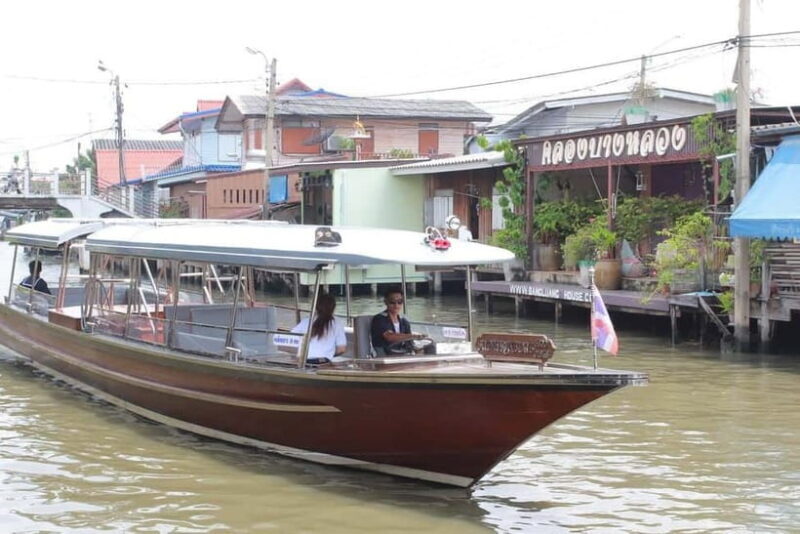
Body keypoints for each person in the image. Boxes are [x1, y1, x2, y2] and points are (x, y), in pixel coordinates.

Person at [370, 287, 433, 355]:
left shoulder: (404, 322)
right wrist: (414, 336)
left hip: (401, 354)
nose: (396, 305)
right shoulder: (379, 319)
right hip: (384, 356)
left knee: (431, 347)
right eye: (392, 302)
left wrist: (417, 350)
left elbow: (409, 343)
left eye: (399, 302)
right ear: (386, 302)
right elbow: (390, 337)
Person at [291, 293, 347, 364]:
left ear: (316, 307)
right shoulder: (337, 323)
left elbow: (291, 338)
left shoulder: (306, 321)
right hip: (323, 361)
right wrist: (329, 354)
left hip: (305, 361)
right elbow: (341, 349)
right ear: (333, 308)